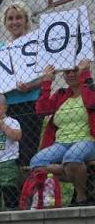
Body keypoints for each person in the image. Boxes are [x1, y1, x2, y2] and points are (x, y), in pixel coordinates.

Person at [0, 2, 41, 166]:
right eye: (10, 18)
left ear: (26, 20)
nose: (15, 22)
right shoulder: (0, 48)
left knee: (28, 150)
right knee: (8, 151)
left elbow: (46, 75)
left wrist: (31, 86)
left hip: (30, 103)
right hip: (8, 107)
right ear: (5, 23)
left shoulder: (35, 42)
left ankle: (28, 188)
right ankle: (13, 188)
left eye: (19, 17)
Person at [29, 59, 95, 206]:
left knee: (72, 158)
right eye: (67, 71)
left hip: (87, 140)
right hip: (61, 143)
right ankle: (76, 174)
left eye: (75, 70)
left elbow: (91, 102)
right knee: (36, 163)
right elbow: (42, 109)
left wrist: (85, 74)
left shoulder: (90, 89)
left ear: (82, 71)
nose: (71, 74)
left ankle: (81, 197)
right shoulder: (61, 94)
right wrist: (47, 83)